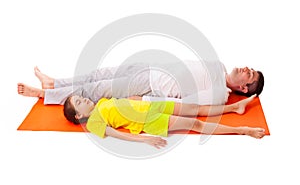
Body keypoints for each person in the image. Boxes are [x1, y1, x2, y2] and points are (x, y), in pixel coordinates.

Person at [17, 60, 264, 105]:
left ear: (243, 88)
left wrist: (146, 100)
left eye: (249, 74)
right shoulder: (219, 65)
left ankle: (44, 95)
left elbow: (189, 104)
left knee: (95, 90)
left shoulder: (219, 94)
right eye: (250, 69)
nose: (245, 69)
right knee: (98, 74)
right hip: (151, 67)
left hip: (150, 85)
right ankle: (54, 83)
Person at [63, 94, 265, 149]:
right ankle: (242, 130)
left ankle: (234, 108)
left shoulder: (101, 102)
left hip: (152, 106)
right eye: (79, 102)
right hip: (149, 121)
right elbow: (116, 134)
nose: (85, 99)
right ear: (79, 115)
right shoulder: (92, 123)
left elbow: (124, 103)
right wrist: (146, 140)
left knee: (195, 108)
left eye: (81, 97)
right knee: (195, 123)